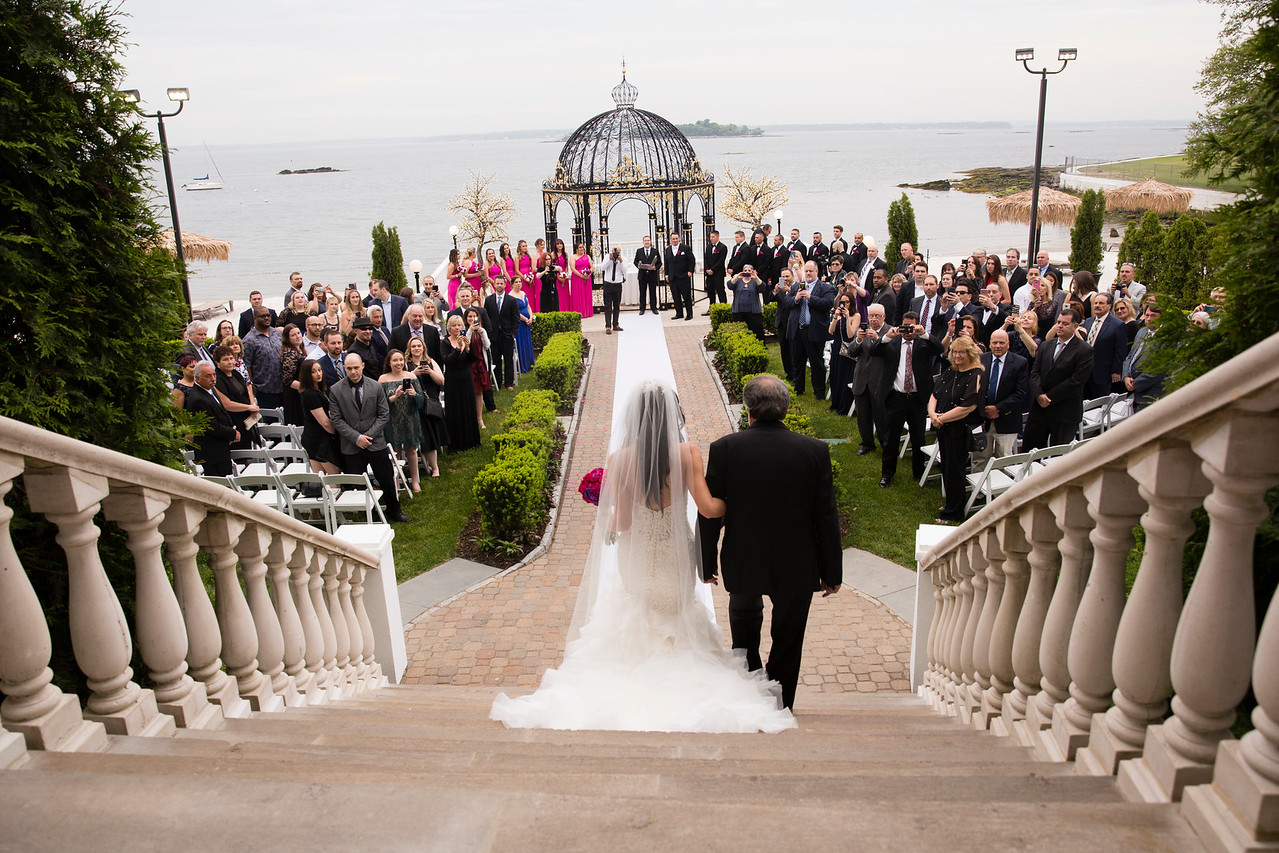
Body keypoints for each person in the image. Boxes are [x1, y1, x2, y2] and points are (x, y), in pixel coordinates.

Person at [491, 378, 795, 733]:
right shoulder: (687, 453)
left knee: (639, 612)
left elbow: (621, 522)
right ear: (672, 414)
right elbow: (710, 509)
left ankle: (636, 676)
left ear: (634, 418)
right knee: (677, 613)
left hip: (637, 557)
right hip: (675, 556)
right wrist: (742, 502)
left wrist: (602, 509)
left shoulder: (619, 460)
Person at [698, 374, 842, 711]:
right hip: (797, 562)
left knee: (744, 637)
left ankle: (750, 698)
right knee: (789, 640)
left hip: (744, 558)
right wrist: (832, 572)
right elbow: (826, 515)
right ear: (785, 409)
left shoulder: (725, 448)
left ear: (748, 410)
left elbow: (711, 511)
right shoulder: (814, 450)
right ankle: (781, 705)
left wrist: (706, 562)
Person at [328, 352, 411, 523]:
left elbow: (383, 414)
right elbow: (336, 419)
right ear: (344, 368)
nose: (353, 372)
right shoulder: (336, 390)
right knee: (358, 483)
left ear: (362, 366)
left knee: (386, 478)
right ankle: (370, 514)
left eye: (356, 368)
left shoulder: (375, 386)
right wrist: (357, 438)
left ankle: (394, 511)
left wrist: (368, 436)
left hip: (375, 442)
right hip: (352, 445)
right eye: (349, 368)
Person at [870, 312, 944, 487]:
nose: (907, 331)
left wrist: (923, 334)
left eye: (911, 327)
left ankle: (918, 472)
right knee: (891, 438)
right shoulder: (893, 342)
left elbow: (940, 348)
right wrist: (887, 337)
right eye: (905, 326)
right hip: (896, 397)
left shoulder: (923, 343)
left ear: (917, 326)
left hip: (918, 399)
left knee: (918, 437)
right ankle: (887, 474)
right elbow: (874, 351)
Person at [929, 336, 986, 523]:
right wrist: (932, 415)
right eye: (954, 351)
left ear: (970, 353)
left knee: (955, 469)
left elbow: (968, 407)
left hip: (958, 429)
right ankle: (950, 503)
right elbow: (935, 394)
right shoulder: (950, 371)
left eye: (962, 352)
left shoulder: (975, 374)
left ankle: (954, 512)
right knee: (945, 465)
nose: (957, 355)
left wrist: (941, 419)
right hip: (943, 426)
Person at [1023, 307, 1093, 450]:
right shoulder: (1046, 345)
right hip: (1040, 409)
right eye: (1058, 322)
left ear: (1075, 326)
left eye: (1065, 324)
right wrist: (1039, 394)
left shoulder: (1084, 350)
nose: (1060, 326)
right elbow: (1035, 372)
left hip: (1065, 410)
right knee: (1030, 450)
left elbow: (1076, 380)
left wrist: (1048, 397)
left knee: (1059, 455)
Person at [782, 261, 836, 399]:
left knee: (816, 362)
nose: (808, 273)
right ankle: (798, 388)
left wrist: (810, 298)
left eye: (811, 271)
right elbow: (786, 303)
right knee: (797, 361)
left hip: (814, 330)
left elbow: (828, 303)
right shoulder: (796, 288)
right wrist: (796, 298)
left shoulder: (824, 287)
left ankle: (819, 392)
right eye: (806, 271)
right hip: (797, 329)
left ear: (816, 271)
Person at [978, 330, 1030, 460]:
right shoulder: (980, 360)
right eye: (995, 342)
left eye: (1001, 343)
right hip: (982, 419)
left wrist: (998, 408)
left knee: (1004, 460)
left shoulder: (1020, 363)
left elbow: (1021, 392)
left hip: (1007, 419)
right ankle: (980, 481)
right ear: (989, 344)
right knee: (980, 458)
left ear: (1008, 344)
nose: (998, 346)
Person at [377, 349, 424, 493]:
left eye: (401, 360)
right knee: (395, 451)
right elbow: (380, 404)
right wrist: (394, 397)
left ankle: (415, 481)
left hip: (410, 417)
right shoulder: (383, 379)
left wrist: (415, 394)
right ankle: (397, 481)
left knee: (411, 449)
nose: (399, 363)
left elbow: (422, 401)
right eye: (395, 360)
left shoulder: (410, 376)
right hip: (392, 420)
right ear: (389, 363)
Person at [851, 304, 891, 455]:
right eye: (871, 316)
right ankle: (866, 443)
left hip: (880, 381)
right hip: (862, 379)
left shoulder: (890, 332)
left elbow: (891, 353)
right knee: (863, 416)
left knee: (881, 416)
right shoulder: (862, 331)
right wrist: (858, 341)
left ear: (884, 317)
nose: (873, 319)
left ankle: (885, 443)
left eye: (877, 316)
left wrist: (878, 339)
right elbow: (852, 352)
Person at [186, 362, 240, 476]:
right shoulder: (198, 399)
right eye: (208, 376)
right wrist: (232, 433)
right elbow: (211, 426)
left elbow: (221, 411)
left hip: (221, 446)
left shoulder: (210, 389)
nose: (213, 379)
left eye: (214, 375)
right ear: (197, 378)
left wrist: (231, 426)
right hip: (211, 452)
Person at [405, 337, 447, 478]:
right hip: (414, 404)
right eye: (413, 346)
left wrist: (429, 371)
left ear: (423, 347)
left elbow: (441, 381)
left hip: (430, 403)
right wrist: (414, 374)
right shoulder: (406, 365)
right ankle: (429, 465)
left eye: (419, 346)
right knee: (424, 435)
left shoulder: (431, 362)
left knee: (430, 435)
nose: (416, 349)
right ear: (409, 349)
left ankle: (434, 466)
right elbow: (403, 384)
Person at [441, 315, 481, 452]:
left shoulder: (466, 340)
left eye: (459, 325)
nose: (457, 328)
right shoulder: (445, 343)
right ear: (449, 328)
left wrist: (468, 347)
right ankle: (456, 443)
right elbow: (448, 360)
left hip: (466, 378)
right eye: (454, 326)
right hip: (453, 380)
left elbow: (472, 359)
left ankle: (471, 440)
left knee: (468, 406)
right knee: (455, 409)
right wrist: (458, 348)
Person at [298, 359, 342, 475]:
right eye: (313, 372)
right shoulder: (310, 394)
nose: (318, 374)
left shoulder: (318, 390)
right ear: (307, 374)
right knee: (333, 477)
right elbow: (325, 423)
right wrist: (340, 433)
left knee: (324, 479)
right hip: (318, 440)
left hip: (314, 438)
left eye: (319, 370)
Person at [211, 344, 260, 449]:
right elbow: (226, 404)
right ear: (217, 362)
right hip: (233, 420)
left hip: (247, 417)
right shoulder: (218, 379)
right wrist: (248, 407)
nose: (230, 362)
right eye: (225, 359)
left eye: (231, 358)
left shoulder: (235, 373)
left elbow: (247, 388)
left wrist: (252, 405)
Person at [1080, 291, 1128, 398]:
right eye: (1096, 303)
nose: (1097, 306)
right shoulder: (1088, 321)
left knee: (1098, 403)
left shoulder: (1117, 325)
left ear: (1109, 306)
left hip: (1102, 372)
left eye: (1101, 303)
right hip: (1085, 371)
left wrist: (1116, 370)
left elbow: (1120, 350)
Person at [241, 306, 284, 411]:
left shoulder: (276, 333)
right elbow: (247, 365)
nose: (266, 318)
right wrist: (252, 385)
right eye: (262, 316)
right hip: (264, 389)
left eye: (268, 316)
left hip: (282, 386)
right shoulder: (249, 340)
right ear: (255, 318)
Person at [484, 277, 520, 390]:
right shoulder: (489, 300)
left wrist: (513, 333)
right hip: (494, 335)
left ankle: (509, 383)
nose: (499, 285)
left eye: (501, 284)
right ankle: (498, 382)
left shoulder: (511, 300)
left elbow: (516, 318)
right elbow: (486, 318)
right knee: (496, 359)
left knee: (508, 359)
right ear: (494, 284)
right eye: (497, 283)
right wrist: (488, 334)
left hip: (507, 334)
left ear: (505, 285)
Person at [827, 292, 859, 416]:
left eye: (847, 302)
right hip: (836, 347)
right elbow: (830, 331)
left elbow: (851, 335)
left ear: (851, 303)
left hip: (847, 350)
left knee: (845, 376)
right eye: (842, 302)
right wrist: (835, 317)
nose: (844, 304)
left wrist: (847, 318)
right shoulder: (838, 314)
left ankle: (844, 405)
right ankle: (835, 402)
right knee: (835, 376)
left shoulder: (856, 315)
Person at [464, 306, 492, 430]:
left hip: (480, 363)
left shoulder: (481, 331)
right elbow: (465, 345)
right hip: (469, 364)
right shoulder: (464, 331)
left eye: (474, 316)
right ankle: (470, 417)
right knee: (470, 391)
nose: (472, 318)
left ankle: (479, 418)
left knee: (480, 391)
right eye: (470, 316)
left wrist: (483, 332)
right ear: (466, 318)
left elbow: (487, 345)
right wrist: (470, 330)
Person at [726, 264, 765, 341]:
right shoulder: (738, 281)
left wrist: (756, 277)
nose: (747, 272)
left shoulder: (755, 281)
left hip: (753, 311)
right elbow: (729, 285)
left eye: (749, 270)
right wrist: (737, 277)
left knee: (757, 329)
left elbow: (763, 288)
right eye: (745, 270)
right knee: (738, 330)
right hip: (739, 311)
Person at [279, 323, 307, 426]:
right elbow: (288, 380)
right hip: (294, 395)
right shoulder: (289, 354)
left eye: (298, 333)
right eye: (293, 335)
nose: (297, 336)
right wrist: (308, 387)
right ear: (287, 338)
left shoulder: (300, 350)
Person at [664, 232, 695, 321]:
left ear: (679, 239)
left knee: (686, 296)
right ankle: (679, 313)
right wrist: (666, 275)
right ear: (670, 240)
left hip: (683, 277)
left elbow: (692, 260)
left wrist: (690, 271)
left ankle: (689, 314)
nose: (675, 240)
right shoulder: (668, 250)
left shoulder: (685, 248)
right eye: (673, 239)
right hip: (673, 277)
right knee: (676, 296)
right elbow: (666, 263)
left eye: (676, 238)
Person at [510, 275, 536, 371]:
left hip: (527, 323)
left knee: (527, 341)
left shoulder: (523, 293)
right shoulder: (511, 296)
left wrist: (531, 317)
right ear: (512, 284)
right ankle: (522, 365)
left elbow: (528, 306)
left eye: (520, 282)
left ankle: (529, 363)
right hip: (519, 323)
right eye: (516, 282)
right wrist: (525, 319)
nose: (518, 284)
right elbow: (515, 312)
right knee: (521, 343)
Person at [600, 246, 626, 333]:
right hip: (608, 284)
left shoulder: (623, 259)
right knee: (607, 306)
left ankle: (615, 324)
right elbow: (603, 268)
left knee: (617, 306)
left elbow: (625, 271)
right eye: (615, 252)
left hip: (617, 284)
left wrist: (621, 261)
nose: (616, 254)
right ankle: (608, 326)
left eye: (618, 252)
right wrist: (610, 259)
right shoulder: (607, 257)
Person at [703, 229, 727, 309]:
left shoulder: (723, 247)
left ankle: (723, 307)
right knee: (710, 292)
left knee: (720, 291)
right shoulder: (709, 247)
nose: (711, 238)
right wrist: (707, 269)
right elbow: (705, 259)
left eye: (713, 237)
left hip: (718, 273)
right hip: (709, 274)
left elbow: (721, 261)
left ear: (717, 237)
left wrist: (712, 270)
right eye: (710, 237)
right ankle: (712, 308)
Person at [569, 242, 594, 318]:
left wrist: (589, 274)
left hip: (587, 278)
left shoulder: (587, 256)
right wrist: (581, 275)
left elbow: (591, 266)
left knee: (586, 294)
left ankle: (588, 311)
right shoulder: (573, 257)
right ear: (576, 249)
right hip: (577, 278)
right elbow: (572, 268)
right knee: (578, 294)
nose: (582, 249)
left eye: (582, 247)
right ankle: (579, 311)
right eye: (580, 247)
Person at [515, 240, 539, 314]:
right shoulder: (517, 257)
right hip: (522, 277)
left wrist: (530, 276)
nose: (525, 247)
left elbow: (532, 267)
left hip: (529, 277)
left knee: (531, 295)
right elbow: (516, 270)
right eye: (523, 246)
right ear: (520, 247)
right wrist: (524, 277)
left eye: (526, 246)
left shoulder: (528, 256)